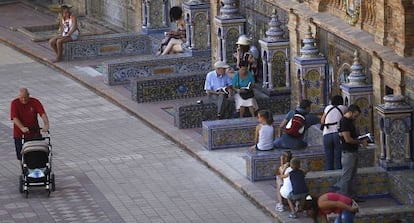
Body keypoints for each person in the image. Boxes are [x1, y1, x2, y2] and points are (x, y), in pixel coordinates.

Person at [334, 104, 368, 201]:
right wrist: (361, 142)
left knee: (352, 176)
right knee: (347, 177)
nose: (356, 118)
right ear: (351, 112)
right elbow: (347, 139)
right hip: (348, 152)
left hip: (352, 151)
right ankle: (344, 197)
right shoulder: (344, 122)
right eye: (355, 115)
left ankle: (352, 196)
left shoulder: (349, 121)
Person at [10, 88, 50, 160]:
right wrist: (22, 127)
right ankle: (24, 169)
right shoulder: (15, 103)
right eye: (21, 97)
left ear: (29, 95)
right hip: (20, 135)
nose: (23, 99)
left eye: (25, 97)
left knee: (39, 153)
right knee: (22, 157)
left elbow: (42, 113)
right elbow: (14, 118)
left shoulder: (35, 102)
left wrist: (46, 124)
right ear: (19, 96)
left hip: (34, 133)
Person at [321, 95, 348, 170]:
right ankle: (338, 175)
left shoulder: (328, 108)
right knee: (338, 157)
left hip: (327, 134)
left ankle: (329, 175)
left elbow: (322, 121)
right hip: (338, 134)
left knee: (328, 157)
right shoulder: (344, 108)